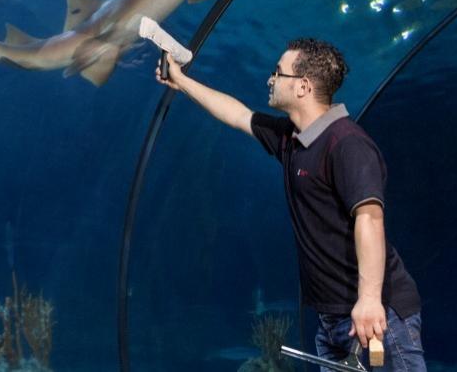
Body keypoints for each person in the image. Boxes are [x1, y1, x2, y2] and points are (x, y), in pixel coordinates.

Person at [154, 38, 426, 371]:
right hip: (333, 317)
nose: (270, 79)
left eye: (278, 73)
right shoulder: (292, 140)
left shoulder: (346, 143)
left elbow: (369, 218)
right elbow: (239, 115)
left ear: (303, 87)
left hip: (376, 316)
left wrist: (369, 299)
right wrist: (181, 81)